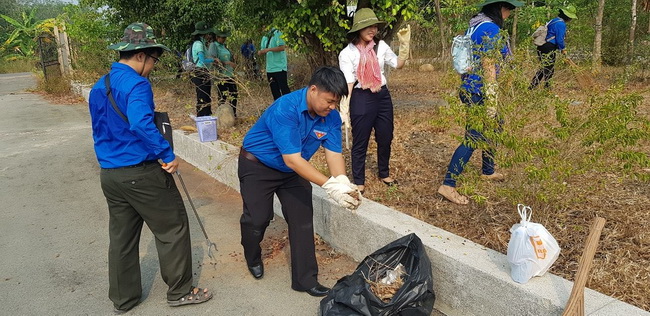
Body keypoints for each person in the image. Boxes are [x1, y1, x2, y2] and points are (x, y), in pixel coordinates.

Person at [88, 23, 213, 314]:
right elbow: (141, 124)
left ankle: (124, 298)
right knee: (173, 227)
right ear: (142, 55)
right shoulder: (137, 84)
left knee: (122, 238)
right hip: (140, 172)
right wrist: (166, 153)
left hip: (110, 174)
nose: (153, 67)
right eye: (154, 60)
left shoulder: (99, 85)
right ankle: (180, 291)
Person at [238, 66, 360, 297]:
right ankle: (252, 254)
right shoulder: (286, 108)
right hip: (258, 165)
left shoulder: (331, 117)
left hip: (292, 170)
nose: (332, 107)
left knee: (302, 220)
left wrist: (343, 183)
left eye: (336, 103)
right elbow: (292, 159)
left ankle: (305, 280)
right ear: (313, 89)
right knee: (258, 219)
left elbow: (333, 153)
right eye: (329, 101)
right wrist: (329, 186)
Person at [437, 0, 523, 205]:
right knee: (473, 138)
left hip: (471, 87)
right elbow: (488, 63)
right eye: (509, 9)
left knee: (495, 125)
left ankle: (488, 170)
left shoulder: (475, 25)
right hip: (480, 91)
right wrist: (492, 97)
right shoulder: (491, 29)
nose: (509, 13)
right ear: (500, 8)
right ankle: (448, 185)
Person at [338, 8, 411, 194]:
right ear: (358, 30)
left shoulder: (381, 46)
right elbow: (349, 82)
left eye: (375, 26)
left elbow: (398, 65)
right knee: (361, 140)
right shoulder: (347, 53)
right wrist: (344, 107)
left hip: (382, 95)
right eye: (367, 27)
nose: (372, 30)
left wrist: (404, 46)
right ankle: (359, 180)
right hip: (361, 97)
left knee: (386, 136)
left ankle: (384, 173)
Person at [529, 5, 577, 89]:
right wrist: (563, 49)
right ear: (568, 17)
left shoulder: (554, 20)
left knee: (544, 67)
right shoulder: (561, 24)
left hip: (542, 46)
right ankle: (546, 88)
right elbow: (559, 39)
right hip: (548, 47)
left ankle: (533, 87)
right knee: (549, 69)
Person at [208, 27, 239, 117]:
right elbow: (213, 60)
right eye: (223, 37)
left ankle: (233, 113)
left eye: (225, 38)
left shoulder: (224, 46)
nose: (224, 39)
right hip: (221, 75)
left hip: (230, 74)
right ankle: (221, 115)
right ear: (217, 37)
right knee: (222, 96)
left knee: (234, 94)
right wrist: (226, 62)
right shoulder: (214, 45)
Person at [190, 21, 216, 116]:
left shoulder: (201, 43)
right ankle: (202, 117)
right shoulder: (199, 44)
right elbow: (202, 60)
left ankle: (207, 116)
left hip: (204, 72)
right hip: (200, 72)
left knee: (207, 96)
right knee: (202, 97)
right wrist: (213, 60)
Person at [258, 27, 291, 100]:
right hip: (270, 68)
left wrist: (269, 49)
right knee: (275, 92)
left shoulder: (277, 32)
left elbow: (282, 47)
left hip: (279, 67)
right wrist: (261, 52)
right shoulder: (265, 36)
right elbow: (263, 49)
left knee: (284, 90)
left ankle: (290, 108)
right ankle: (278, 109)